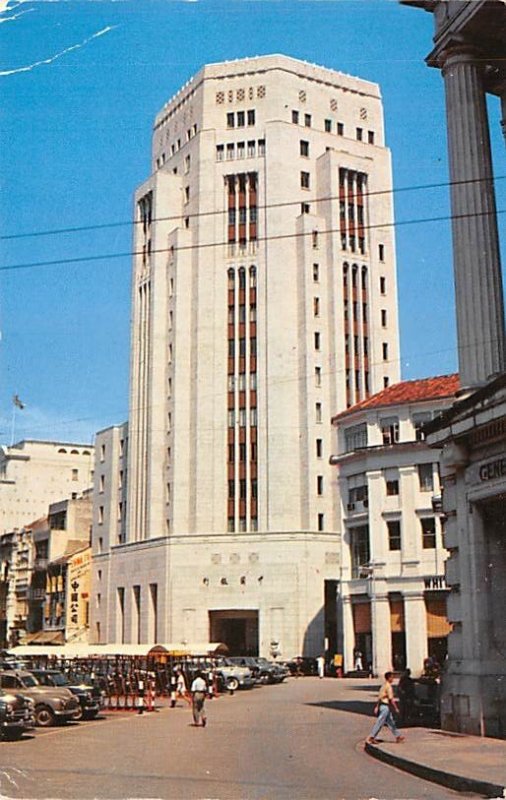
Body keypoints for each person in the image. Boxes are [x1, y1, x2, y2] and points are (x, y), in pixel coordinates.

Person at [367, 671, 405, 744]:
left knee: (390, 722)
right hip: (385, 707)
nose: (393, 679)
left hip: (383, 706)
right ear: (389, 678)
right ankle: (372, 736)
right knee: (380, 722)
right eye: (392, 677)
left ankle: (398, 736)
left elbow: (379, 697)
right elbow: (391, 699)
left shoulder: (383, 686)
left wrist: (377, 706)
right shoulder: (388, 687)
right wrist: (396, 708)